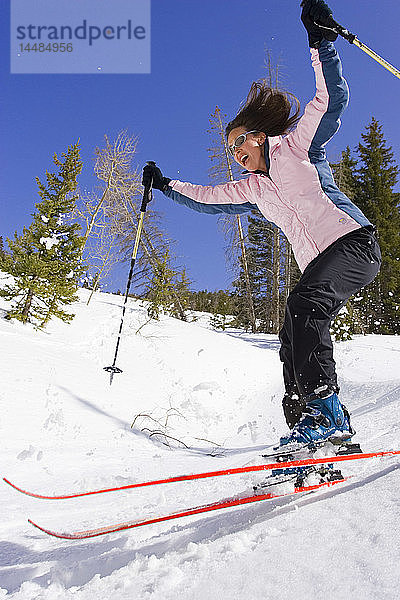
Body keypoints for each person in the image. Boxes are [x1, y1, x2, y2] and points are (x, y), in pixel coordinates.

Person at [142, 0, 381, 447]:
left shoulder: (296, 147)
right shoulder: (253, 189)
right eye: (230, 150)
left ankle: (324, 411)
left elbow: (330, 98)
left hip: (353, 244)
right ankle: (311, 433)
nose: (235, 154)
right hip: (319, 266)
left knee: (305, 305)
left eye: (238, 143)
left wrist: (321, 42)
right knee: (290, 334)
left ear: (257, 135)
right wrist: (165, 184)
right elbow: (208, 199)